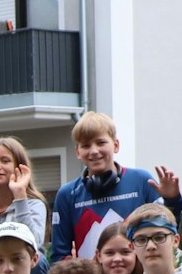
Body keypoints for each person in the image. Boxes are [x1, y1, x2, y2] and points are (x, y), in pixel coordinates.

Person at [48, 111, 167, 263]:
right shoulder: (67, 194)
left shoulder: (141, 181)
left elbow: (168, 231)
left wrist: (172, 199)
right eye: (86, 145)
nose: (94, 151)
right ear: (78, 152)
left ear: (116, 145)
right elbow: (59, 256)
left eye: (101, 142)